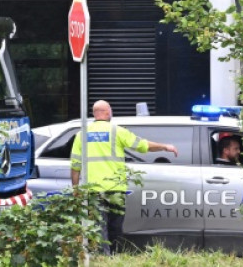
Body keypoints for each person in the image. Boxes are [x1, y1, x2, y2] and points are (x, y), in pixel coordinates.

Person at [70, 100, 178, 255]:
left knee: (99, 229)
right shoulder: (117, 131)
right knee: (115, 229)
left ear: (95, 113)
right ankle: (112, 258)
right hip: (116, 191)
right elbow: (142, 145)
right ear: (108, 112)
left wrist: (76, 189)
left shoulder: (82, 134)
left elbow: (75, 165)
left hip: (93, 192)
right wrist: (165, 146)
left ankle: (104, 259)